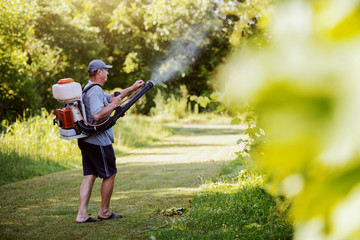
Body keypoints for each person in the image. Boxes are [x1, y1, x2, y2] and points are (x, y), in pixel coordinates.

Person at [76, 59, 144, 223]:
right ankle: (104, 211)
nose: (108, 72)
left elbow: (115, 96)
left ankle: (82, 214)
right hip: (98, 141)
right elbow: (97, 115)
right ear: (99, 72)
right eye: (106, 70)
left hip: (86, 140)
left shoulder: (89, 88)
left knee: (89, 175)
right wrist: (114, 105)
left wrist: (134, 88)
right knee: (110, 173)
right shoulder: (95, 91)